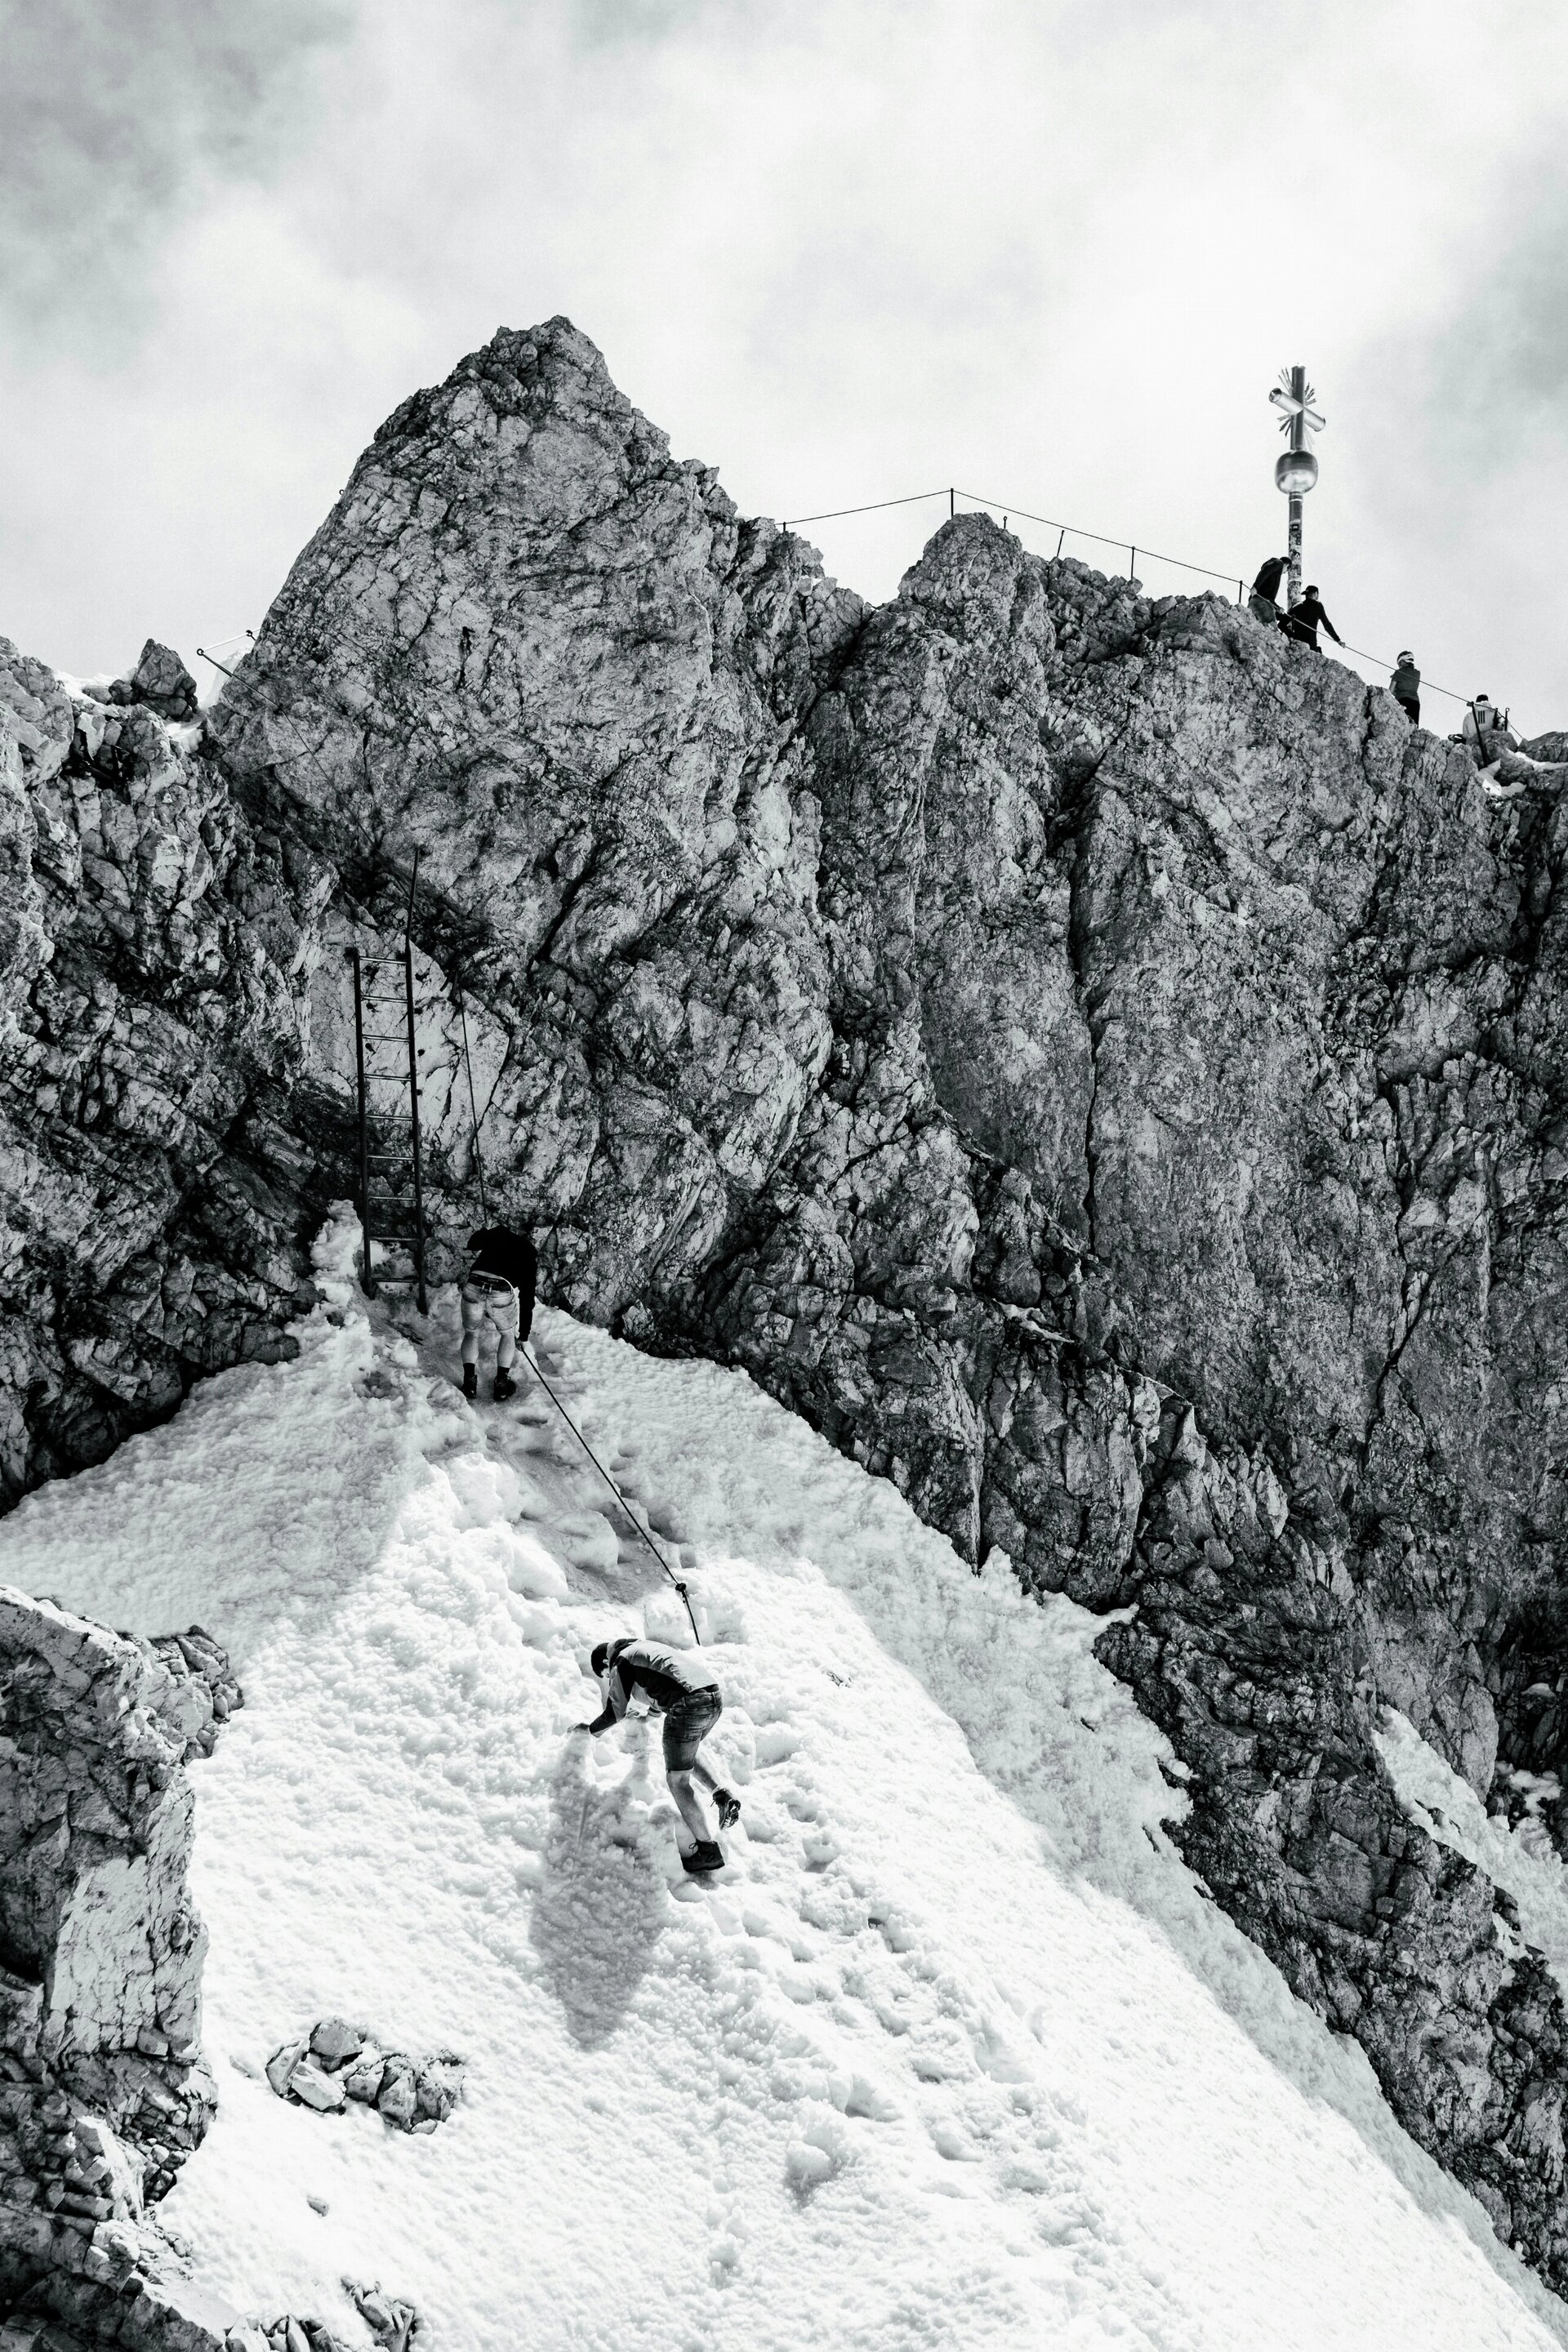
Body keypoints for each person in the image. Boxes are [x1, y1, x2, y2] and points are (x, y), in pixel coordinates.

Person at [576, 1635, 740, 1873]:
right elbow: (664, 1680)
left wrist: (588, 1731)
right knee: (683, 1758)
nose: (610, 1681)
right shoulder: (643, 1648)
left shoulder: (621, 1661)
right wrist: (648, 1717)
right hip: (712, 1697)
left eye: (607, 1677)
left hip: (688, 1704)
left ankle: (708, 1850)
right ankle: (721, 1793)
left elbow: (616, 1712)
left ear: (605, 1664)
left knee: (677, 1779)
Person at [460, 1223, 536, 1401]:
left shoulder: (498, 1235)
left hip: (475, 1283)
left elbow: (472, 1244)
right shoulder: (529, 1258)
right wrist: (523, 1334)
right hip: (501, 1290)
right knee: (507, 1334)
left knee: (471, 1332)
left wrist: (486, 1231)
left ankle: (469, 1382)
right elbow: (527, 1299)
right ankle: (501, 1382)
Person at [1282, 586, 1343, 653]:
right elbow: (1327, 625)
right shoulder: (1318, 605)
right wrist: (1338, 640)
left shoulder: (1297, 607)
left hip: (1298, 644)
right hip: (1311, 646)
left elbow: (1281, 625)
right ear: (1316, 594)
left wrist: (1291, 635)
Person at [1249, 555, 1291, 627]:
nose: (1284, 573)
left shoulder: (1272, 570)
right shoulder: (1279, 563)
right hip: (1262, 602)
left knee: (1257, 630)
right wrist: (1255, 586)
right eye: (1287, 570)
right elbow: (1267, 571)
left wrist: (1277, 608)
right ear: (1287, 565)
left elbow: (1268, 597)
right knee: (1272, 630)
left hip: (1254, 601)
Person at [1390, 652, 1420, 726]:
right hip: (1415, 703)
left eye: (1400, 663)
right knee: (1413, 727)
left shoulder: (1398, 673)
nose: (1400, 665)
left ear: (1403, 662)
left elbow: (1390, 691)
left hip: (1403, 701)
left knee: (1401, 726)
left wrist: (1394, 678)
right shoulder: (1418, 673)